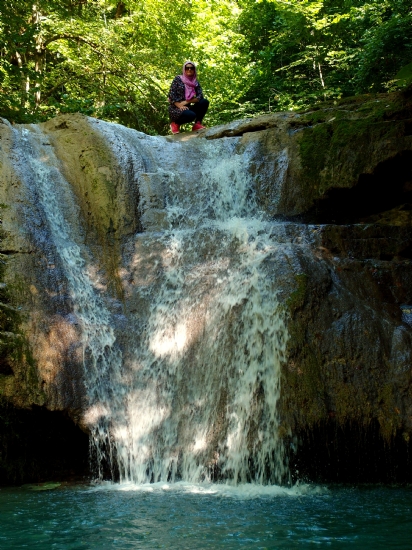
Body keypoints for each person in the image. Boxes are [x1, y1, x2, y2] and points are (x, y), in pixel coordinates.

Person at [168, 60, 209, 134]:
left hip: (187, 107)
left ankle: (197, 124)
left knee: (204, 102)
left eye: (191, 68)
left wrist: (187, 101)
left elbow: (200, 96)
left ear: (194, 70)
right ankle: (175, 124)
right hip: (175, 108)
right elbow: (171, 95)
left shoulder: (195, 82)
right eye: (187, 68)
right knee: (191, 115)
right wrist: (180, 105)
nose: (189, 69)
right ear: (184, 69)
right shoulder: (178, 79)